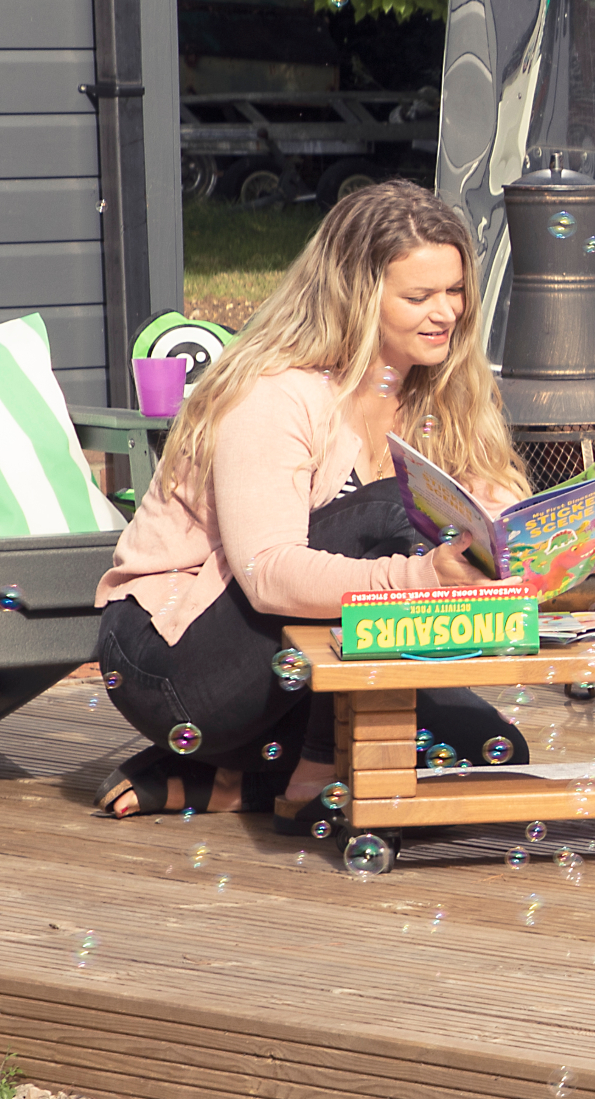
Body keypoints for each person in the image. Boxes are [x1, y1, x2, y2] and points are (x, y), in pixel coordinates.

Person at [92, 183, 537, 824]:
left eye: (455, 291)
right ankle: (314, 767)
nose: (447, 314)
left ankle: (240, 782)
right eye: (419, 297)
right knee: (395, 507)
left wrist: (559, 547)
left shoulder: (446, 393)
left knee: (494, 757)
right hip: (174, 659)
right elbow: (270, 574)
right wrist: (419, 579)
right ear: (356, 298)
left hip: (301, 668)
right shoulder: (273, 395)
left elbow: (490, 523)